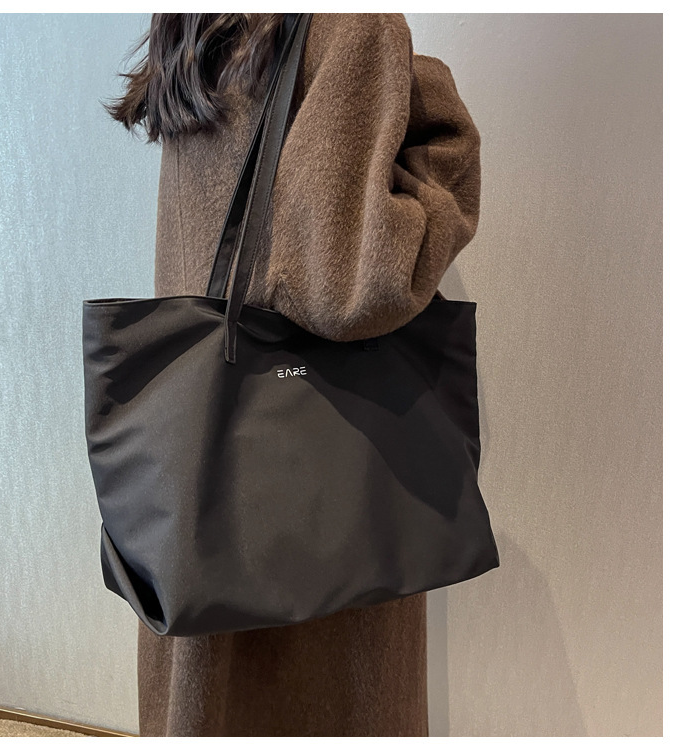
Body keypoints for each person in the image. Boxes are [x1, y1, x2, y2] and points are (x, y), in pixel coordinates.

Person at [104, 12, 481, 737]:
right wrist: (424, 91)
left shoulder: (200, 30)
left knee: (209, 700)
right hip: (324, 519)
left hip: (199, 475)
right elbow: (350, 286)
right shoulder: (350, 26)